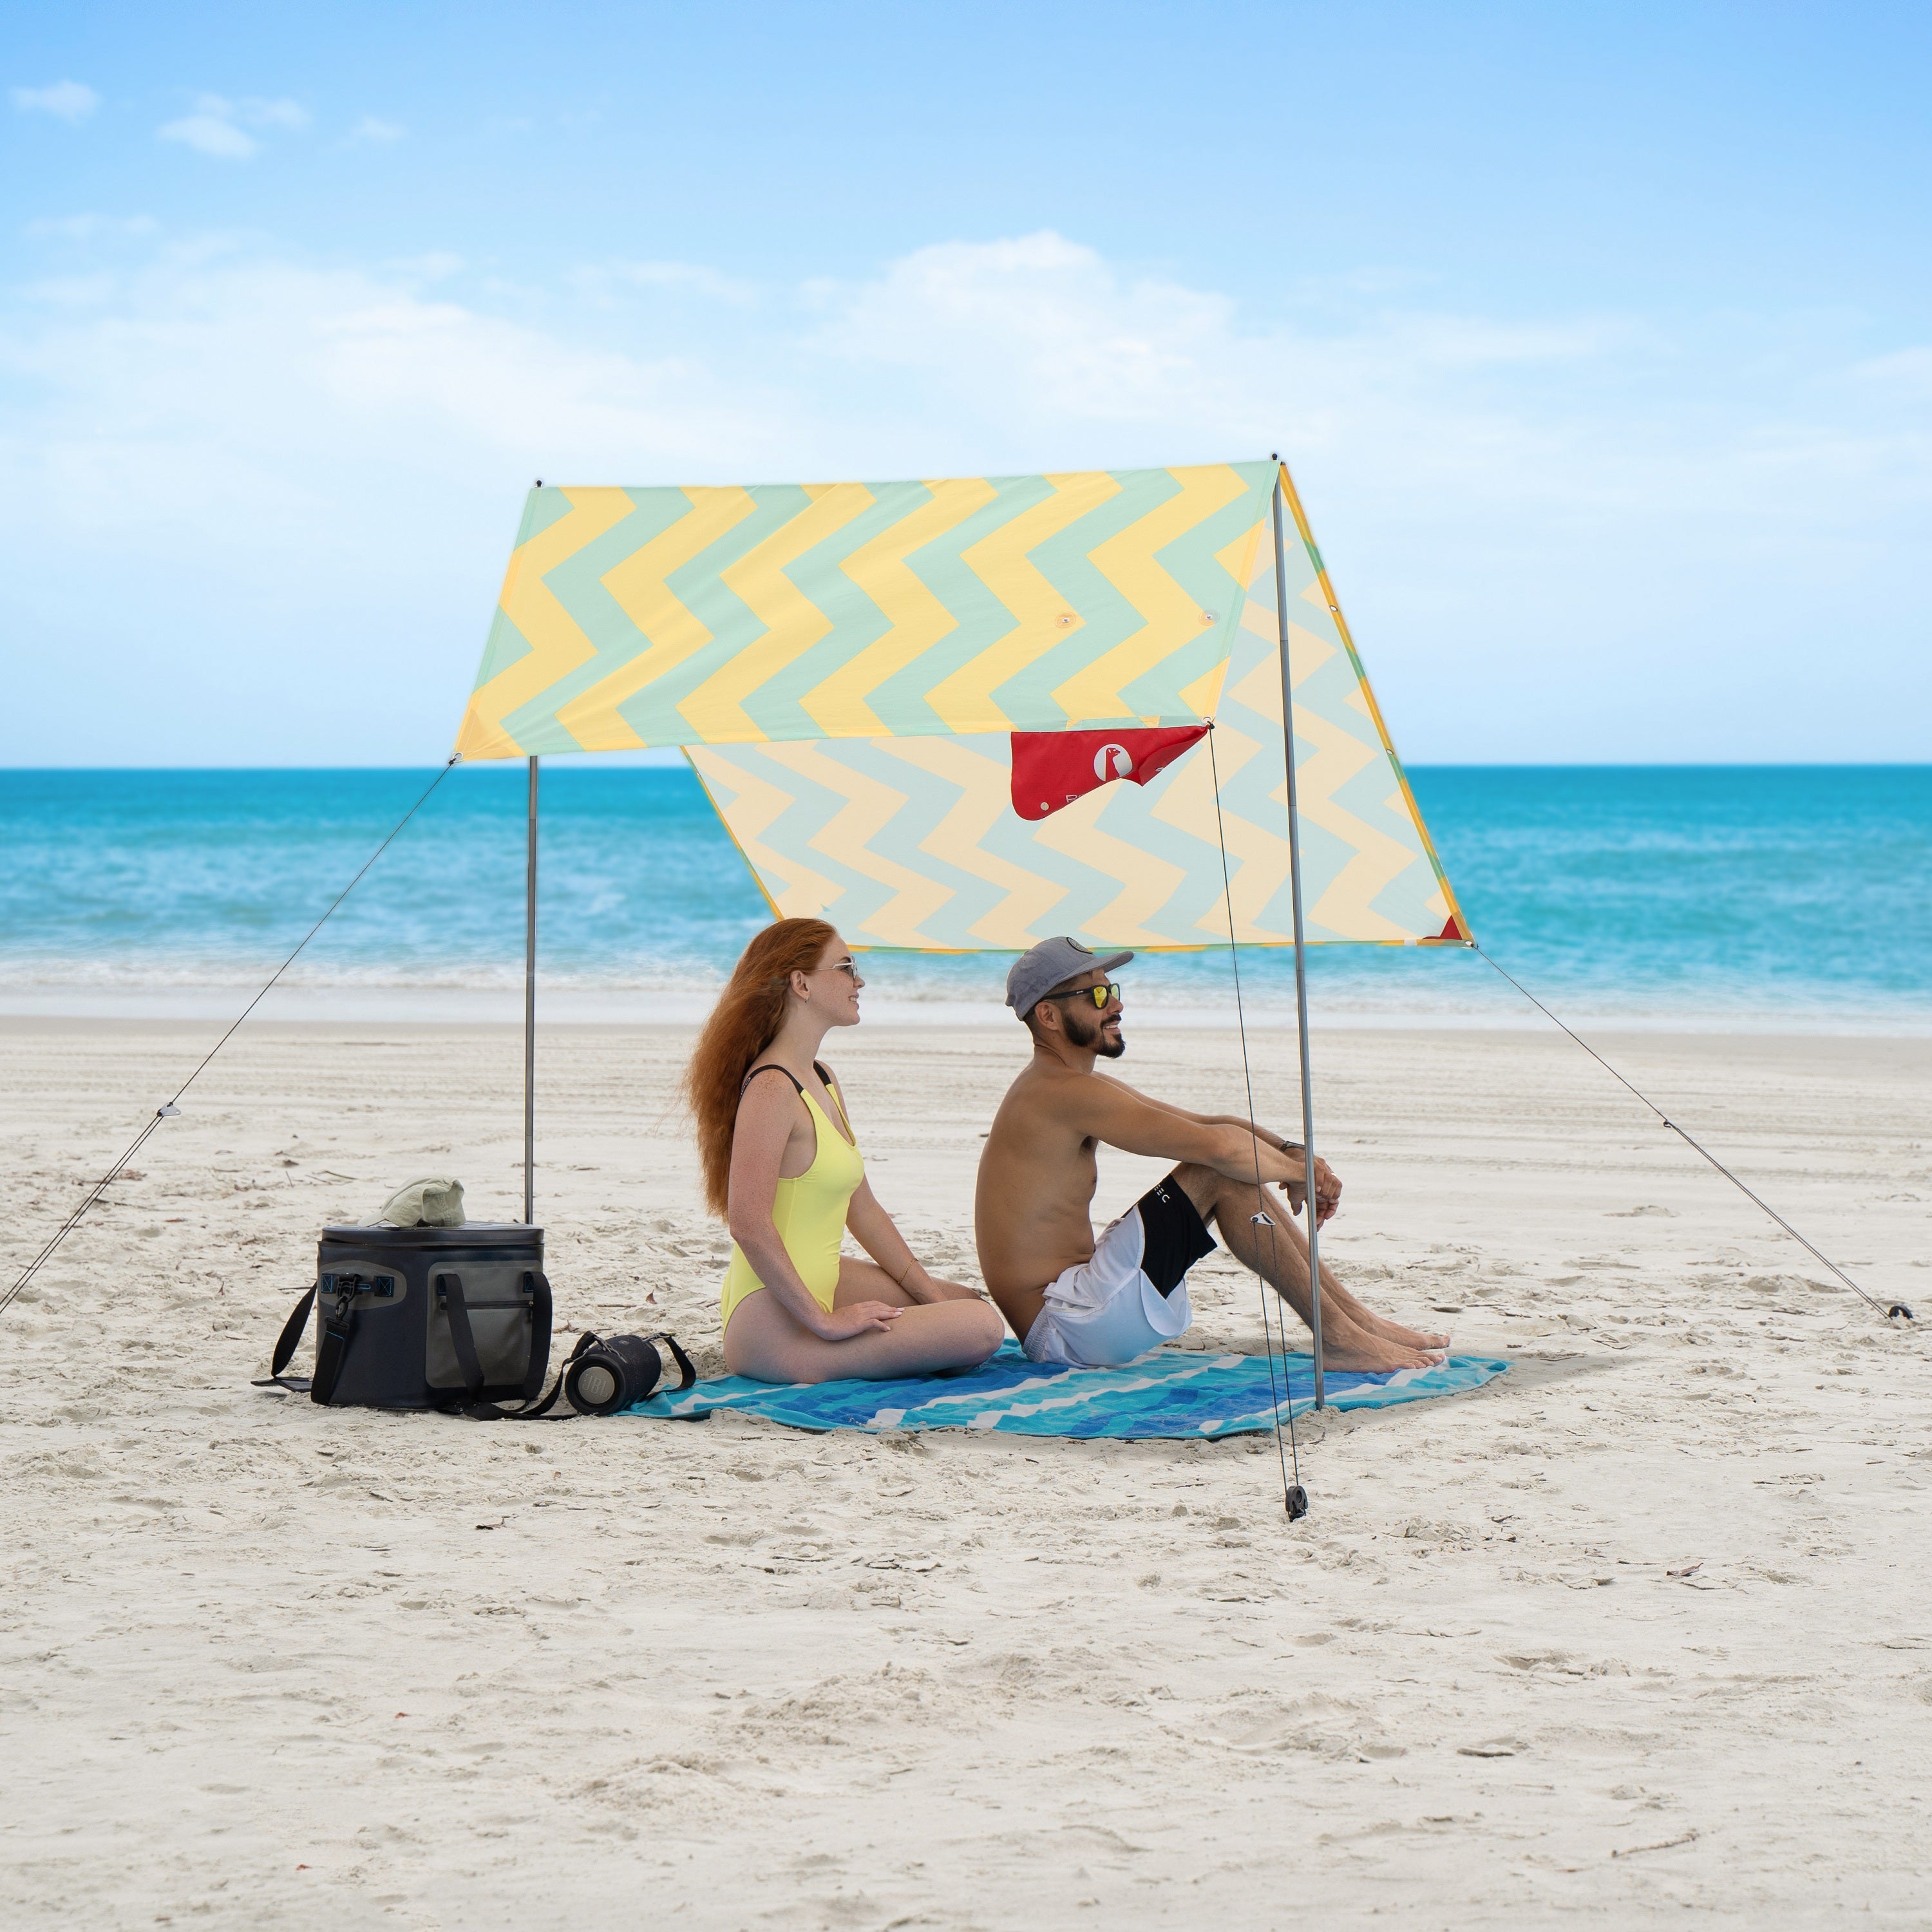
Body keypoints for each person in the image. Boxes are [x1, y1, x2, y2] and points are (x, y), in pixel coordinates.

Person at [974, 936, 1450, 1372]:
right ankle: (1341, 1336)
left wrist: (1295, 1155)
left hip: (1078, 1309)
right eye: (1096, 997)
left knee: (1229, 1166)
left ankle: (1354, 1320)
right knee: (1220, 1172)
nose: (1116, 1004)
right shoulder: (1058, 1093)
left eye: (1112, 989)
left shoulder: (1071, 1086)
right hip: (1066, 1325)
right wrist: (1299, 1172)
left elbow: (1210, 1125)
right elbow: (1219, 1148)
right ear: (1049, 1017)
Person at [687, 918, 1005, 1383]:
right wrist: (825, 1323)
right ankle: (828, 1350)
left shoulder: (821, 1077)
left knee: (964, 1305)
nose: (860, 981)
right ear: (801, 984)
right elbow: (748, 1224)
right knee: (981, 1328)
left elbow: (866, 1211)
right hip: (773, 1323)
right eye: (846, 967)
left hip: (824, 1283)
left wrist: (933, 1299)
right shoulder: (773, 1088)